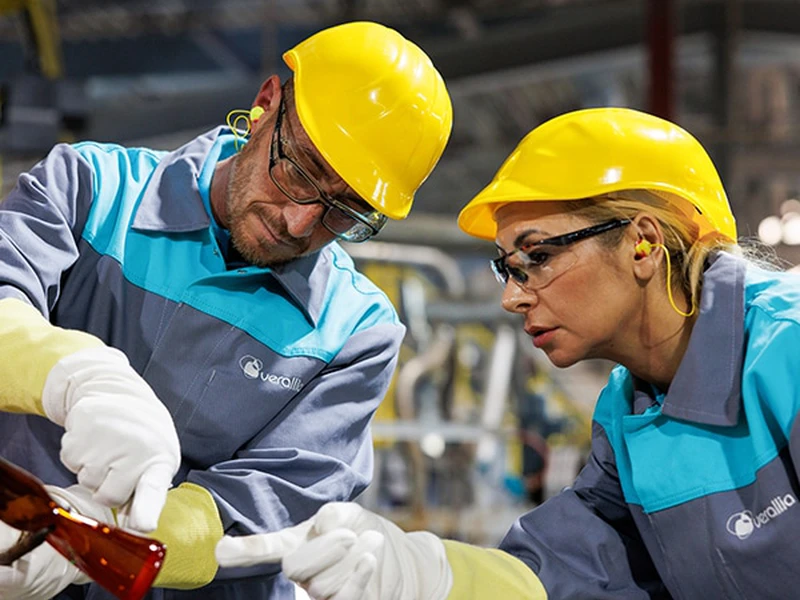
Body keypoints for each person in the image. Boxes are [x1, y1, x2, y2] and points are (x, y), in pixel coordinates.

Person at [214, 107, 800, 599]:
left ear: (643, 242)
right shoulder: (628, 416)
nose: (512, 298)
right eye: (506, 269)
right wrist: (422, 574)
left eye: (536, 257)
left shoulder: (786, 350)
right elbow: (561, 574)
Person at [0, 20, 452, 599]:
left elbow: (263, 505)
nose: (300, 223)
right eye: (300, 170)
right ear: (265, 106)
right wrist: (72, 376)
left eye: (347, 212)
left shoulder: (354, 332)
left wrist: (92, 539)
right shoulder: (91, 189)